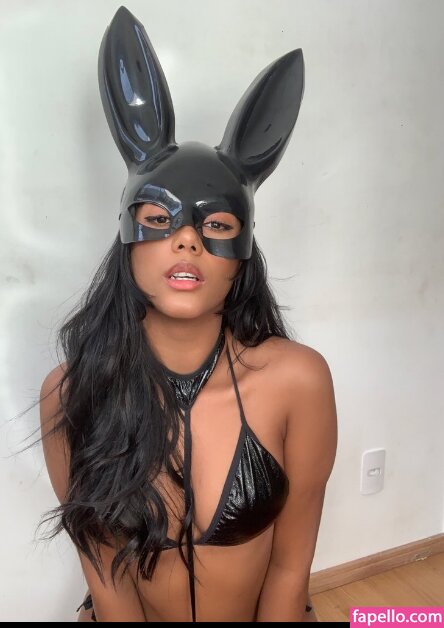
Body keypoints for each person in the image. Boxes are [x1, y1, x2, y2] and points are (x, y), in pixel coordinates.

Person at [39, 6, 337, 622]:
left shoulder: (297, 381)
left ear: (242, 254)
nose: (186, 241)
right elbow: (105, 577)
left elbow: (290, 569)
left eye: (217, 225)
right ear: (128, 241)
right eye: (158, 219)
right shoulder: (72, 393)